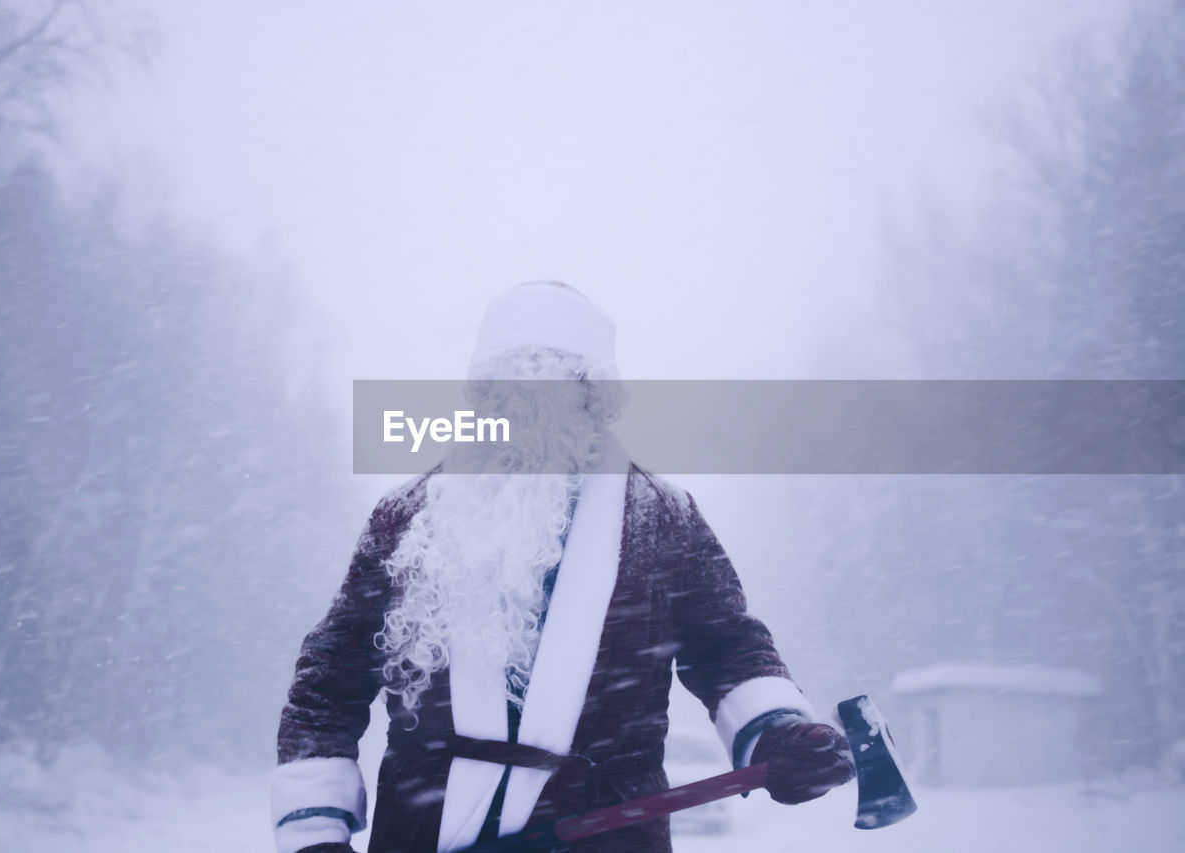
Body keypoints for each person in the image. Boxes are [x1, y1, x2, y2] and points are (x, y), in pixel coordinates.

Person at [270, 281, 854, 853]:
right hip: (431, 825)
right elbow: (329, 681)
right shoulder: (406, 517)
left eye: (553, 383)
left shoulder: (662, 518)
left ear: (594, 397)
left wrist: (778, 730)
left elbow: (726, 644)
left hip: (607, 827)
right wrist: (316, 829)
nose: (529, 406)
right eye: (510, 385)